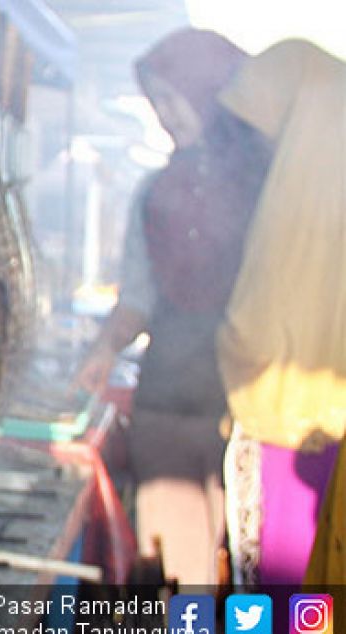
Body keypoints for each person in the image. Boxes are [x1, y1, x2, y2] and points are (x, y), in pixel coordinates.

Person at [75, 29, 270, 588]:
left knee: (258, 576)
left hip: (251, 412)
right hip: (168, 406)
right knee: (183, 575)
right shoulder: (155, 193)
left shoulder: (271, 187)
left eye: (172, 98)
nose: (163, 115)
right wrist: (105, 347)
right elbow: (138, 296)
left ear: (210, 90)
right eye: (155, 102)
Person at [207, 40, 346, 591]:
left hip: (286, 432)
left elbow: (254, 331)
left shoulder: (292, 208)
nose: (255, 150)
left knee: (283, 591)